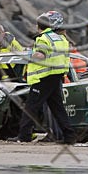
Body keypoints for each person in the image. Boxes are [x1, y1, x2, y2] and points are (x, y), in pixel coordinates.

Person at [8, 11, 75, 144]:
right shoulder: (60, 38)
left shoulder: (43, 38)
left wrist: (28, 55)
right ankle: (69, 136)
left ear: (38, 26)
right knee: (57, 108)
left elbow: (41, 55)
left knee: (31, 106)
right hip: (56, 75)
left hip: (43, 77)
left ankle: (24, 136)